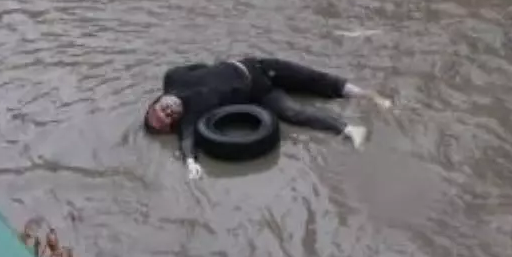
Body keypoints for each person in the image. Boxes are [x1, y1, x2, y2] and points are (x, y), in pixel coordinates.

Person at [144, 57, 391, 178]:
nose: (168, 110)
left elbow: (199, 65)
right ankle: (350, 129)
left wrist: (218, 72)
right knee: (294, 112)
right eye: (168, 117)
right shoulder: (192, 116)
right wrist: (190, 163)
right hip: (260, 94)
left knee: (316, 80)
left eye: (160, 110)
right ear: (175, 121)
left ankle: (371, 96)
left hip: (254, 66)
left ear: (155, 102)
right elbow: (187, 141)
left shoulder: (172, 77)